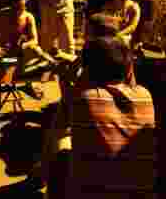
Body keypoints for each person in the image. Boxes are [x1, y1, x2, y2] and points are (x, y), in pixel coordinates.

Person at [62, 36, 156, 198]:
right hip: (142, 193)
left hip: (96, 193)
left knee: (60, 147)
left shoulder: (84, 98)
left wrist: (67, 79)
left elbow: (63, 116)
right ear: (128, 67)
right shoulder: (144, 95)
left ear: (87, 70)